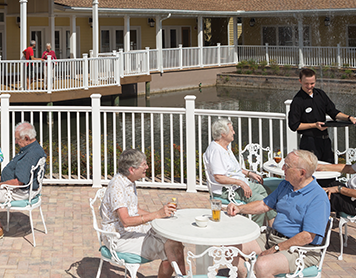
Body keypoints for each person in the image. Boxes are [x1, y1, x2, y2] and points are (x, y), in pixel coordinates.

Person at [228, 150, 330, 278]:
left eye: (287, 166)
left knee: (262, 265)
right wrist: (239, 208)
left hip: (301, 249)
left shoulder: (318, 198)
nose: (282, 168)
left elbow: (307, 236)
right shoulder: (286, 185)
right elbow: (264, 205)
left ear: (302, 173)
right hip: (272, 237)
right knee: (230, 248)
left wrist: (277, 248)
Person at [100, 149, 185, 278]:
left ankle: (183, 275)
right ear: (131, 169)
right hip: (119, 237)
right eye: (144, 164)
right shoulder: (117, 186)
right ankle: (182, 275)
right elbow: (126, 221)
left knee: (174, 239)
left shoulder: (129, 181)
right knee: (170, 250)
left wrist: (159, 216)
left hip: (133, 229)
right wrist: (156, 215)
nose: (147, 167)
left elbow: (134, 209)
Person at [0, 122, 46, 240]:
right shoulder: (31, 148)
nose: (16, 142)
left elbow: (19, 182)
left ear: (27, 138)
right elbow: (15, 171)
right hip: (12, 185)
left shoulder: (30, 155)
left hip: (18, 191)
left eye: (17, 139)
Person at [203, 119, 274, 226]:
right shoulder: (216, 151)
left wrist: (249, 173)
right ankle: (253, 231)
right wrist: (241, 183)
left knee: (266, 192)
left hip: (237, 185)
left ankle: (271, 226)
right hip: (226, 189)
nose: (234, 133)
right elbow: (218, 177)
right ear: (223, 134)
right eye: (231, 130)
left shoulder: (225, 147)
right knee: (259, 201)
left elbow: (233, 169)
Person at [288, 68, 355, 162]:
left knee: (329, 169)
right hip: (309, 142)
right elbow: (294, 125)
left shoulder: (321, 94)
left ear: (315, 81)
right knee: (313, 172)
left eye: (312, 83)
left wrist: (349, 117)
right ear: (300, 81)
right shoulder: (297, 101)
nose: (309, 86)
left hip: (325, 140)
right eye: (306, 83)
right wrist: (314, 125)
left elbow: (333, 112)